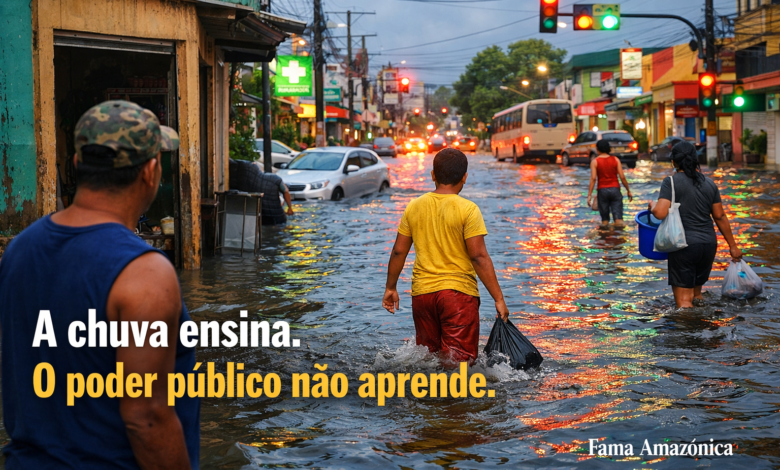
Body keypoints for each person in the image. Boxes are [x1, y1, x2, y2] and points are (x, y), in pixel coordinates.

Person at [0, 101, 199, 468]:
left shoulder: (19, 251)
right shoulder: (145, 273)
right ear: (150, 171)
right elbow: (147, 417)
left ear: (77, 165)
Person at [382, 149, 510, 366]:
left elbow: (398, 251)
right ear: (465, 177)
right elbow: (478, 256)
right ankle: (453, 400)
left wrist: (390, 287)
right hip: (457, 297)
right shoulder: (468, 210)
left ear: (433, 175)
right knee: (458, 366)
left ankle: (428, 399)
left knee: (427, 360)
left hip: (422, 296)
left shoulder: (413, 206)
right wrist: (498, 298)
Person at [649, 141, 743, 308]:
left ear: (674, 161)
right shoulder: (709, 183)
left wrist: (652, 207)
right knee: (696, 295)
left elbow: (660, 213)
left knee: (684, 301)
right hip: (708, 245)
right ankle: (702, 327)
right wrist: (733, 246)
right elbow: (720, 216)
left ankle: (689, 331)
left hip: (684, 245)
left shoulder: (670, 182)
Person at [229, 158, 294, 226]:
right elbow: (286, 191)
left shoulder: (244, 184)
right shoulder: (275, 179)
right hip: (278, 217)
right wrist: (289, 208)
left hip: (261, 218)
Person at [587, 139, 633, 227]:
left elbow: (593, 179)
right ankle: (618, 237)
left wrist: (589, 195)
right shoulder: (615, 160)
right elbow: (622, 177)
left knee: (605, 222)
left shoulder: (595, 162)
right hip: (615, 190)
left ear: (598, 149)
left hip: (602, 191)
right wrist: (628, 190)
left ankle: (606, 238)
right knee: (619, 221)